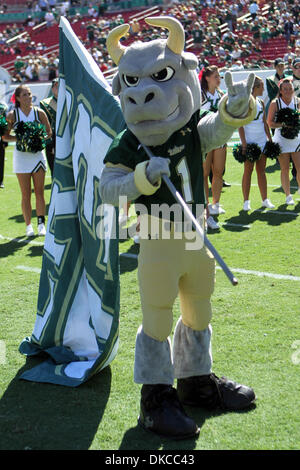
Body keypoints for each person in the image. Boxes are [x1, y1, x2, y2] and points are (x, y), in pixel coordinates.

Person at [100, 17, 256, 440]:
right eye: (131, 81)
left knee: (199, 309)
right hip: (156, 237)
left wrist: (235, 110)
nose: (143, 92)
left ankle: (196, 382)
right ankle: (155, 399)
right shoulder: (131, 142)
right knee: (156, 317)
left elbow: (217, 130)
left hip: (197, 235)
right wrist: (141, 179)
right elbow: (107, 190)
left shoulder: (189, 129)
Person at [2, 84, 52, 236]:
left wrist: (37, 139)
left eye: (29, 94)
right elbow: (5, 136)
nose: (29, 97)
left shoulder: (40, 113)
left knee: (39, 192)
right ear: (17, 98)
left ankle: (41, 224)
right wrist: (22, 138)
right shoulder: (12, 115)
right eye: (25, 95)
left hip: (37, 156)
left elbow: (49, 133)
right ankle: (28, 225)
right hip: (21, 157)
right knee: (25, 194)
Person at [238, 76, 275, 211]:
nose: (264, 89)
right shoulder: (245, 103)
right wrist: (244, 143)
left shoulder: (260, 101)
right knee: (248, 171)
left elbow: (264, 122)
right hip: (250, 142)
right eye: (262, 86)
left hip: (261, 141)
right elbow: (240, 125)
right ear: (256, 87)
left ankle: (265, 199)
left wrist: (269, 140)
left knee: (261, 171)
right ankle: (246, 201)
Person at [200, 65, 227, 230]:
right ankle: (205, 206)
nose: (219, 79)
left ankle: (215, 204)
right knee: (204, 173)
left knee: (218, 172)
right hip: (205, 138)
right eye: (216, 76)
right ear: (207, 78)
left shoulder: (222, 95)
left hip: (220, 139)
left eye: (219, 76)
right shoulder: (199, 95)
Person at [267, 78, 300, 205]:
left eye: (290, 88)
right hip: (281, 138)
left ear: (293, 90)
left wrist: (295, 124)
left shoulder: (298, 102)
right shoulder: (275, 103)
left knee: (299, 167)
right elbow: (270, 123)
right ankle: (288, 196)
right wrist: (284, 125)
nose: (288, 91)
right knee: (284, 168)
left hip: (296, 138)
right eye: (285, 89)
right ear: (280, 91)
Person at [40, 78, 58, 178]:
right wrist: (48, 142)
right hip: (53, 137)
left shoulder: (69, 100)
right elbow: (44, 124)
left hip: (68, 136)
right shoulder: (45, 103)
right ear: (52, 88)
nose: (58, 88)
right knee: (53, 165)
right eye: (56, 86)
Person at [0, 101, 8, 188]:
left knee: (1, 160)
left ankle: (0, 181)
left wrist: (5, 142)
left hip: (0, 139)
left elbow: (5, 124)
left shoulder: (2, 107)